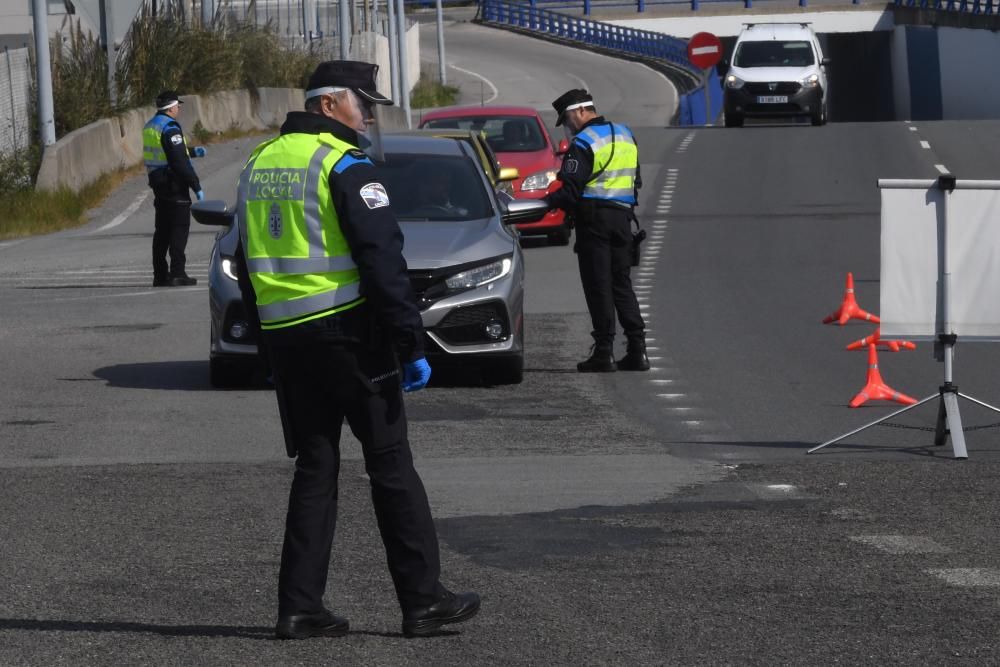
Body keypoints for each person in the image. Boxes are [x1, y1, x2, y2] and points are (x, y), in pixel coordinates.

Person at [235, 60, 480, 640]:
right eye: (361, 103)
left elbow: (246, 265)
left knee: (316, 468)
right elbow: (382, 260)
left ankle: (299, 608)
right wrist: (409, 342)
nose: (367, 114)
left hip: (290, 344)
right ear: (327, 105)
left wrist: (268, 350)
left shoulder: (257, 165)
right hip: (348, 336)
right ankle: (422, 602)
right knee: (390, 463)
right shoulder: (343, 163)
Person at [543, 89, 650, 373]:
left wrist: (544, 203)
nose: (567, 125)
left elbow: (570, 191)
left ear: (580, 111)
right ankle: (638, 350)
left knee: (598, 285)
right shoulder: (625, 134)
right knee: (621, 284)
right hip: (623, 220)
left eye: (566, 119)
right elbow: (635, 180)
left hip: (594, 222)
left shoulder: (584, 141)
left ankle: (604, 352)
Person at [143, 90, 206, 287]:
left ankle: (160, 275)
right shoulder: (170, 127)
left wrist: (193, 152)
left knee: (162, 230)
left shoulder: (151, 125)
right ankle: (177, 272)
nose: (179, 108)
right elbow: (178, 161)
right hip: (174, 183)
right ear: (171, 108)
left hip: (158, 183)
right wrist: (196, 185)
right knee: (179, 228)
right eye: (177, 105)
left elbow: (167, 152)